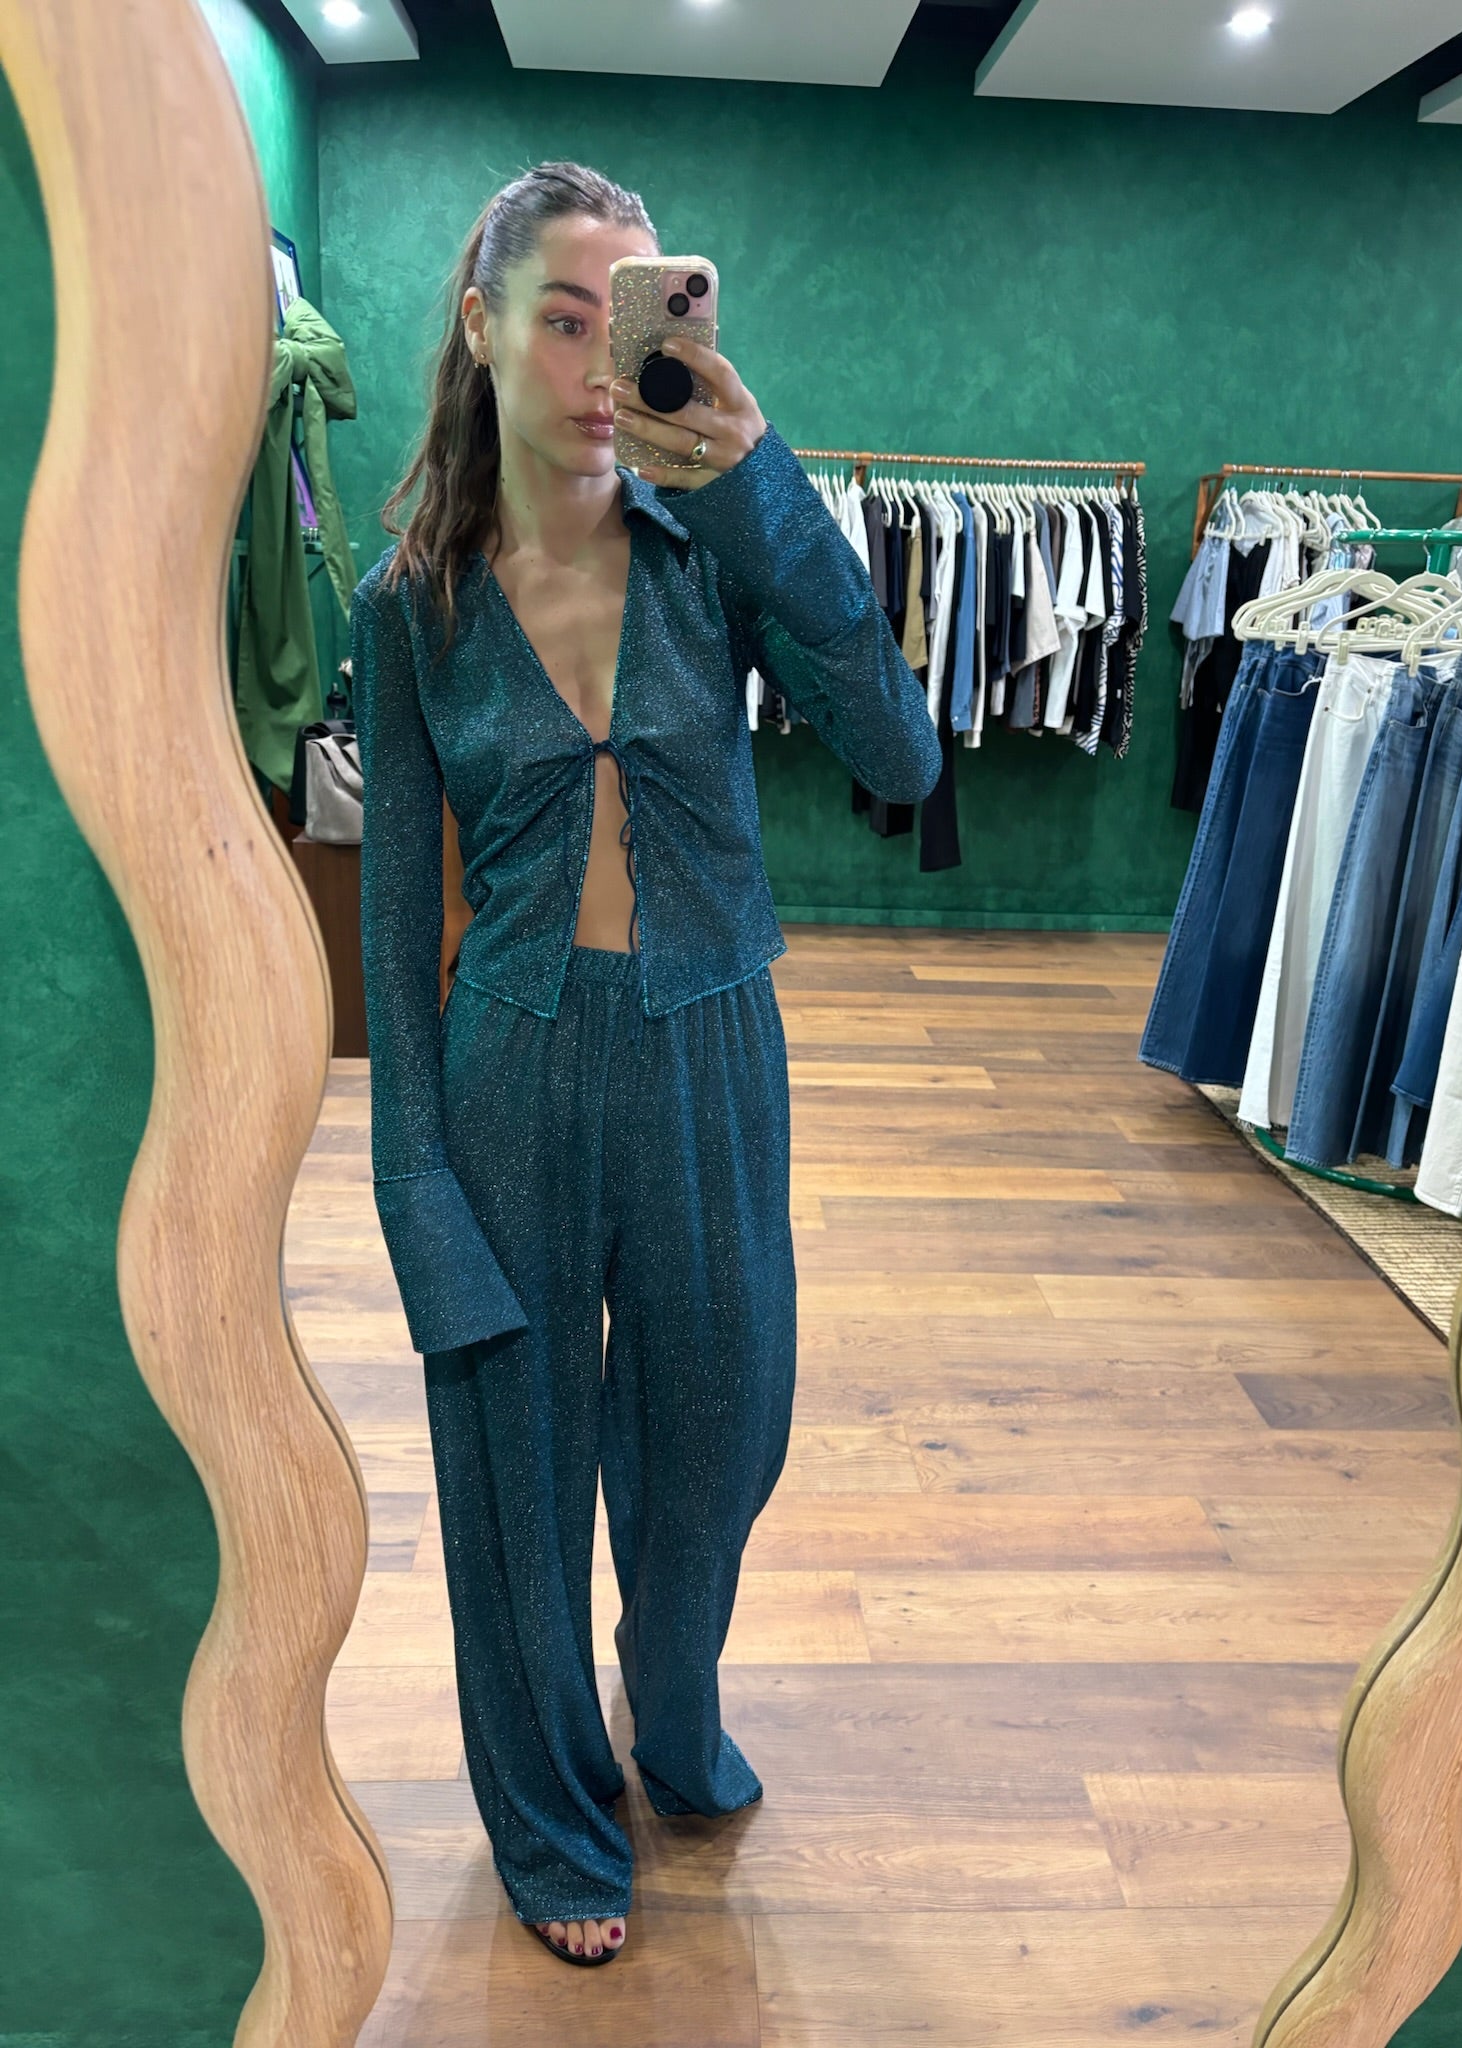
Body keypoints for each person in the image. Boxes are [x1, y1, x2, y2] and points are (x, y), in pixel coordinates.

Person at [350, 160, 941, 1968]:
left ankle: (669, 1705)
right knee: (512, 1484)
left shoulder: (718, 556)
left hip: (711, 1058)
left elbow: (904, 758)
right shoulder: (408, 606)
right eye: (560, 316)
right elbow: (395, 930)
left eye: (628, 318)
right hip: (510, 1075)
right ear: (479, 328)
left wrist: (763, 490)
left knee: (716, 1440)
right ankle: (549, 1815)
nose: (600, 364)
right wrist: (413, 1192)